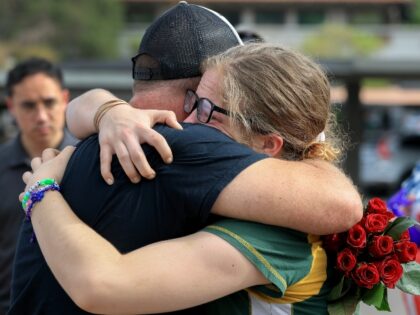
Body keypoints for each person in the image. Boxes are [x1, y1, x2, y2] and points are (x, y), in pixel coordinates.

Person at [10, 3, 361, 315]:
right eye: (192, 103)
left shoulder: (273, 232)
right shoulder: (264, 193)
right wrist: (108, 111)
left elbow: (102, 284)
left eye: (206, 108)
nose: (188, 124)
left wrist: (41, 190)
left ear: (268, 143)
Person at [0, 57, 77, 315]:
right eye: (29, 105)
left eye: (49, 102)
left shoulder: (91, 160)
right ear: (11, 106)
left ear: (65, 98)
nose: (41, 116)